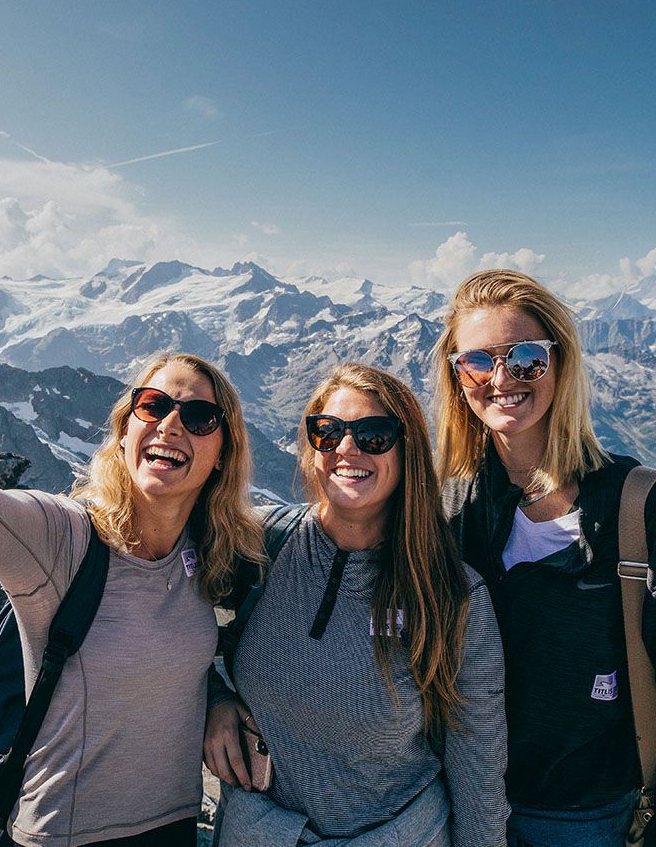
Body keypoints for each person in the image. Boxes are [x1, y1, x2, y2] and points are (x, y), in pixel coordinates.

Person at [0, 353, 263, 847]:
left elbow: (161, 655)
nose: (170, 425)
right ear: (125, 431)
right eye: (152, 406)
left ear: (221, 454)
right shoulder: (60, 538)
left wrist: (214, 698)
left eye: (198, 418)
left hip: (172, 829)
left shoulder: (205, 552)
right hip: (65, 835)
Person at [434, 269, 656, 846]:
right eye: (476, 361)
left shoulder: (647, 507)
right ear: (456, 378)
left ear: (561, 364)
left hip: (589, 818)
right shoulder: (450, 509)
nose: (501, 378)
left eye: (525, 356)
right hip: (462, 812)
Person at [203, 362, 509, 847]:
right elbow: (168, 629)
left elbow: (479, 771)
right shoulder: (261, 547)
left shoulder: (451, 597)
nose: (347, 448)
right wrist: (214, 700)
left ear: (407, 450)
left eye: (373, 435)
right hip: (262, 834)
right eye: (328, 433)